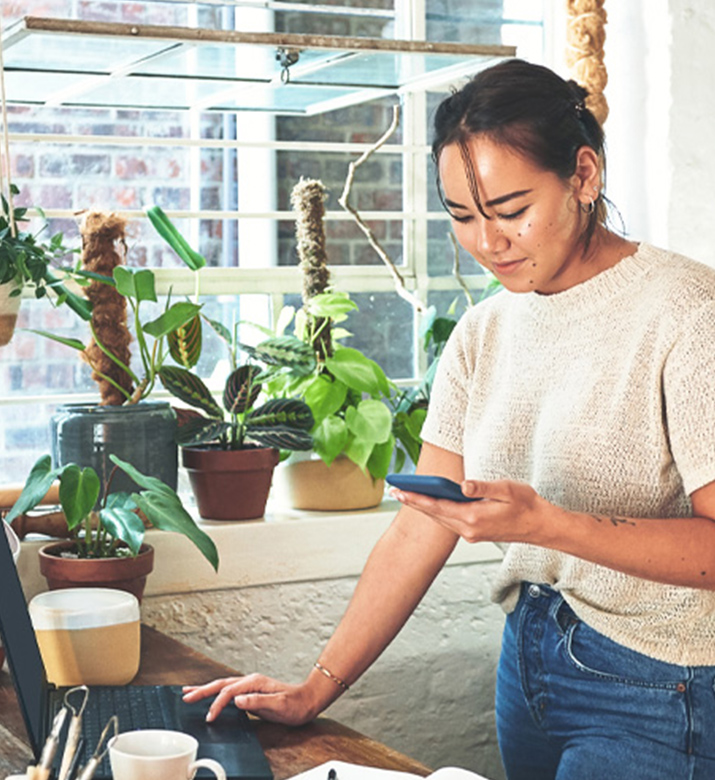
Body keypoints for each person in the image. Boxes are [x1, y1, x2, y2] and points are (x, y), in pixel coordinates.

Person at [182, 59, 715, 779]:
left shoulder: (687, 313)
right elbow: (421, 520)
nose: (486, 242)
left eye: (510, 210)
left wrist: (545, 524)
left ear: (583, 176)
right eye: (461, 216)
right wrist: (317, 686)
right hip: (527, 662)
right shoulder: (483, 330)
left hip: (661, 684)